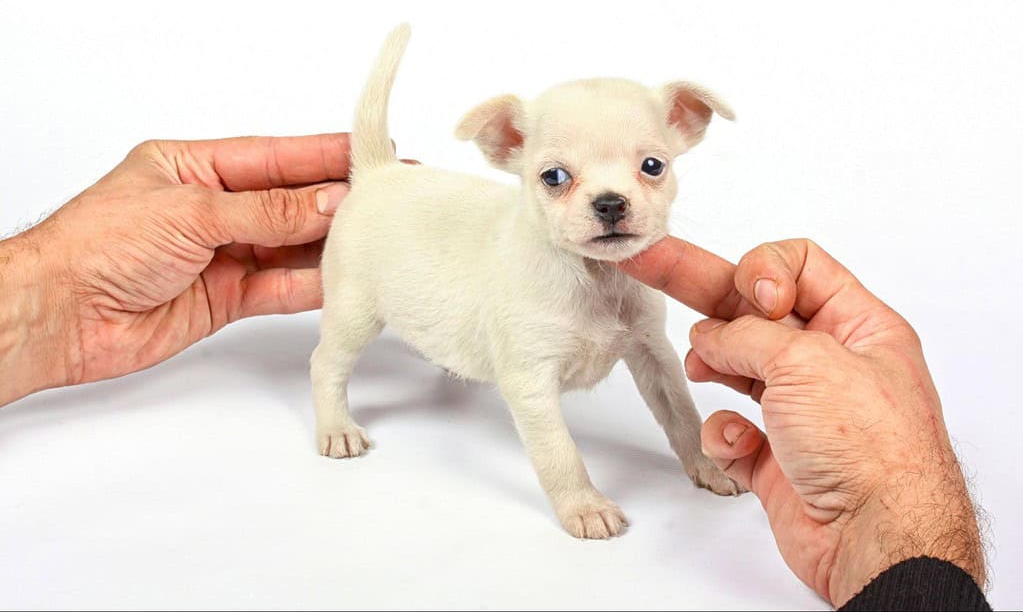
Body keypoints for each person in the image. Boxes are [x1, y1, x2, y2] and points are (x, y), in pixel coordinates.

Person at [0, 134, 990, 610]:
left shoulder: (634, 275)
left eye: (647, 167)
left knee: (649, 341)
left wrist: (695, 449)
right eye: (560, 177)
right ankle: (326, 390)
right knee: (354, 317)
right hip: (396, 242)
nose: (611, 197)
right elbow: (530, 385)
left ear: (683, 143)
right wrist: (574, 491)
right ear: (513, 159)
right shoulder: (524, 271)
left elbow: (654, 357)